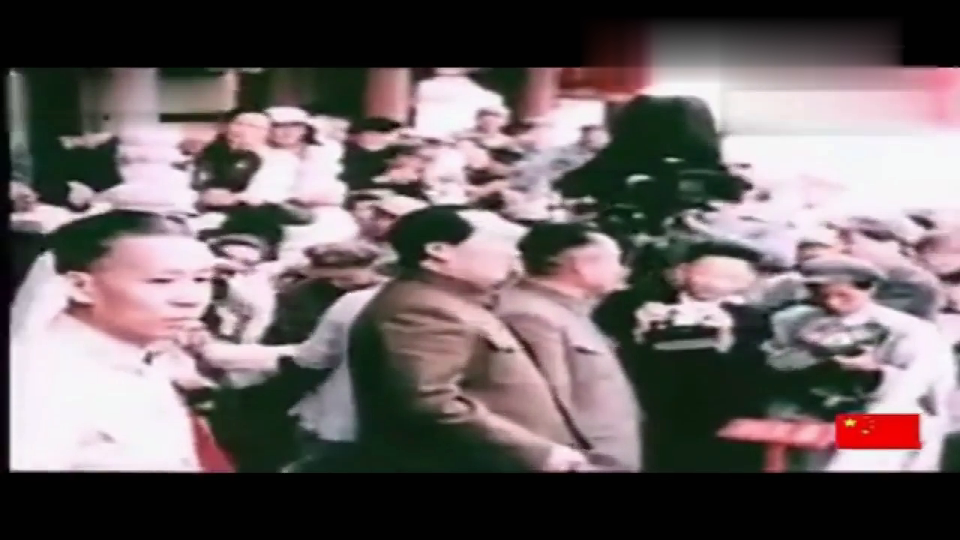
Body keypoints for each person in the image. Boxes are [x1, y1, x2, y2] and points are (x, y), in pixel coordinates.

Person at [347, 206, 597, 472]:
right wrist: (537, 453)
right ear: (439, 250)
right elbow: (430, 403)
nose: (513, 253)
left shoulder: (451, 300)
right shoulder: (422, 310)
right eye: (498, 241)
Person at [10, 210, 226, 471]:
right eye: (162, 281)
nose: (190, 299)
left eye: (201, 279)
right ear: (80, 287)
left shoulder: (139, 359)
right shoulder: (36, 376)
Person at [767, 255, 956, 471]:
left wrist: (875, 375)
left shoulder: (910, 330)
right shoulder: (793, 321)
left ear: (869, 289)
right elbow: (774, 366)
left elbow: (921, 390)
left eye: (843, 295)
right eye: (821, 295)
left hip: (888, 416)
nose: (831, 303)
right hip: (814, 411)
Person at [497, 223, 642, 471]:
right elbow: (544, 406)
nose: (621, 271)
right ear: (582, 265)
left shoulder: (566, 310)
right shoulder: (531, 316)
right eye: (615, 260)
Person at [629, 240, 771, 472]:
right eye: (706, 275)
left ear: (748, 281)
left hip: (724, 416)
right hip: (657, 414)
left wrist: (727, 338)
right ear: (682, 272)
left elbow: (757, 371)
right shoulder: (643, 305)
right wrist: (641, 331)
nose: (715, 283)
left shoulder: (755, 318)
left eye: (730, 278)